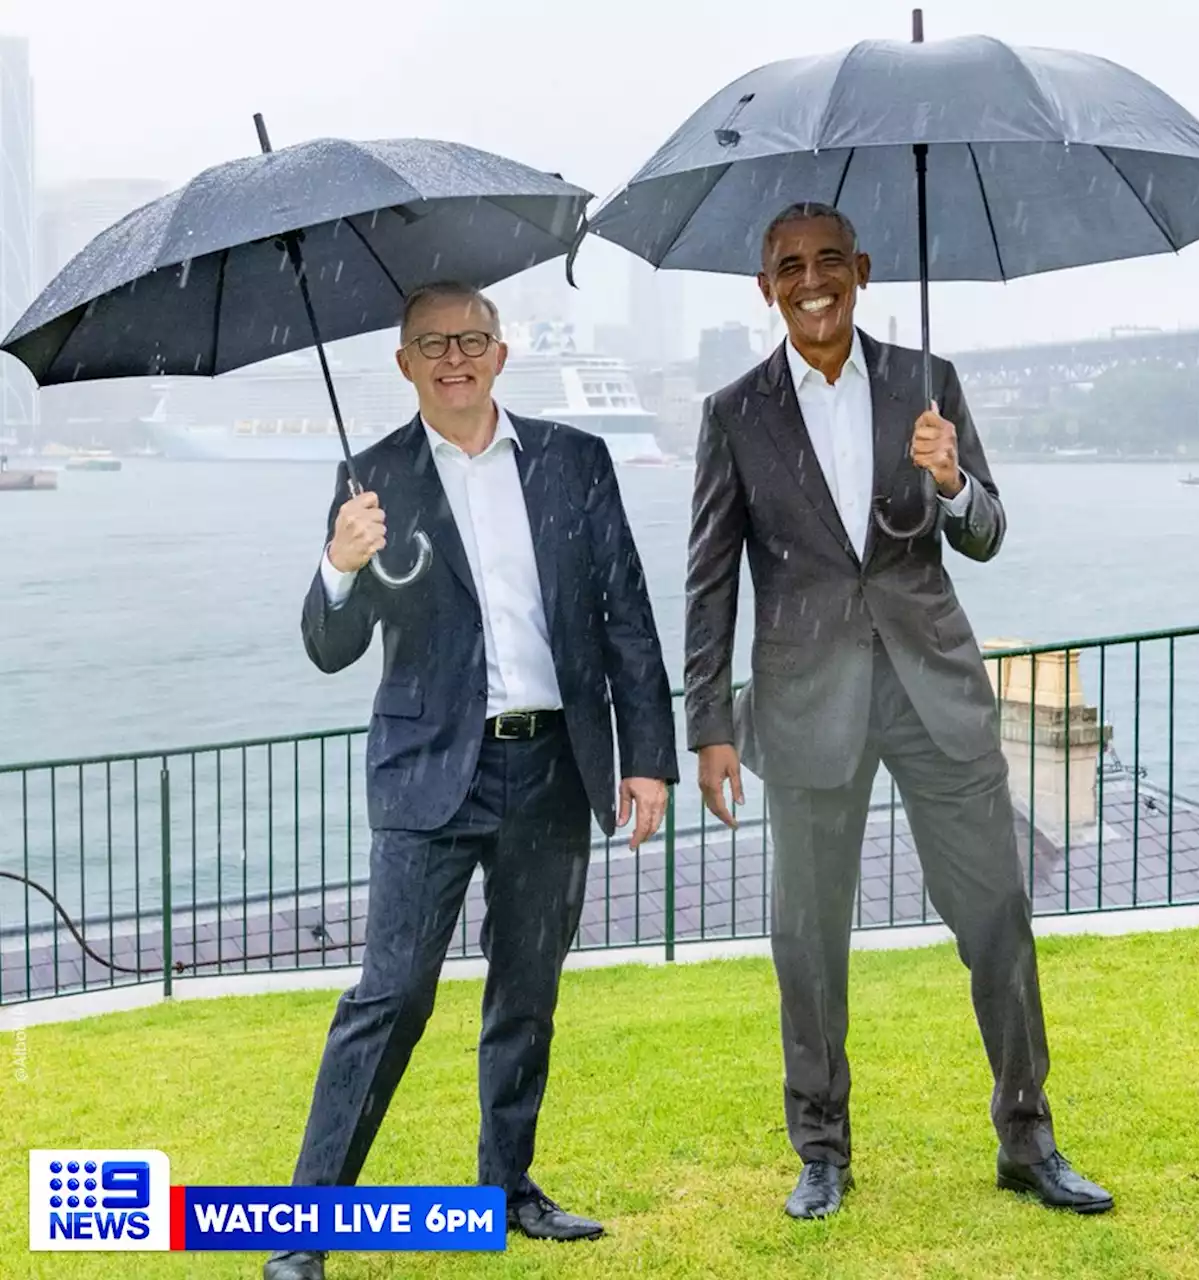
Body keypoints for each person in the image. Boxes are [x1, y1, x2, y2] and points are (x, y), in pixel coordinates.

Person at [684, 202, 1112, 1221]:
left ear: (861, 269)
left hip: (932, 692)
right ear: (765, 287)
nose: (811, 278)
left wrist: (953, 478)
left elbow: (987, 532)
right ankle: (820, 1148)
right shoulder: (732, 413)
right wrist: (707, 724)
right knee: (807, 936)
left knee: (997, 915)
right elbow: (709, 581)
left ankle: (1027, 1137)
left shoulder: (930, 383)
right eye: (789, 265)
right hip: (802, 703)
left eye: (829, 259)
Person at [264, 281, 678, 1280]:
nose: (454, 356)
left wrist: (647, 755)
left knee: (526, 989)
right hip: (425, 776)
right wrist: (337, 562)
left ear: (501, 353)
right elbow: (331, 646)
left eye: (472, 339)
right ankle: (305, 1226)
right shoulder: (368, 478)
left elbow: (626, 610)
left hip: (551, 765)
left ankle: (507, 1187)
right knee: (391, 992)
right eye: (431, 343)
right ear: (403, 363)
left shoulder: (574, 462)